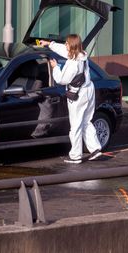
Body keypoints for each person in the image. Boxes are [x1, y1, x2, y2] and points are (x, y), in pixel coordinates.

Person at [39, 35, 103, 163]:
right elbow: (65, 51)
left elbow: (62, 80)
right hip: (89, 90)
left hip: (78, 95)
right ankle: (95, 149)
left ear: (72, 46)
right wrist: (49, 44)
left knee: (76, 125)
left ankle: (75, 156)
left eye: (67, 44)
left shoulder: (73, 64)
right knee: (86, 121)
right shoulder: (82, 54)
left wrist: (55, 67)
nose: (66, 45)